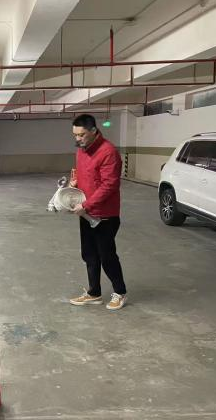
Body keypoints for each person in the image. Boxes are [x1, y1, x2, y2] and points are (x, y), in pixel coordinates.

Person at [68, 114, 127, 310]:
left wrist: (86, 205)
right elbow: (84, 174)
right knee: (89, 254)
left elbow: (109, 185)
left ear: (93, 131)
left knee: (106, 255)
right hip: (86, 213)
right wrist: (75, 183)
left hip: (105, 215)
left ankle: (120, 292)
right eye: (75, 135)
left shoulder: (108, 152)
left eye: (81, 135)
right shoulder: (81, 150)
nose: (78, 139)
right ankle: (94, 293)